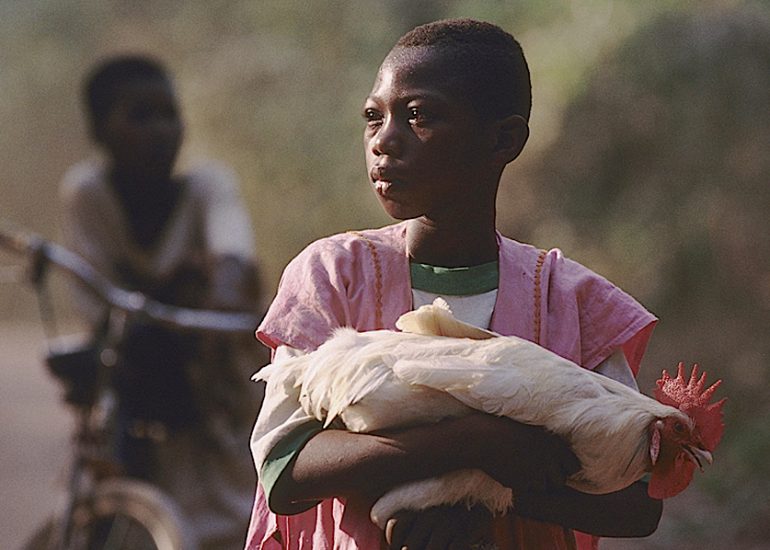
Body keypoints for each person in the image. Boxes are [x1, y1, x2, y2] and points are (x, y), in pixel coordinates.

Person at [245, 19, 662, 550]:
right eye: (373, 118)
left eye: (418, 115)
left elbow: (636, 504)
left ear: (502, 139)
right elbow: (284, 470)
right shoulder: (331, 276)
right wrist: (478, 443)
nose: (384, 141)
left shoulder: (572, 303)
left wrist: (482, 495)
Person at [60, 54, 263, 550]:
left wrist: (217, 294)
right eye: (140, 115)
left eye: (169, 114)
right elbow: (96, 305)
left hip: (215, 390)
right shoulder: (88, 195)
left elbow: (234, 265)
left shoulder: (207, 187)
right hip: (136, 382)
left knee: (235, 520)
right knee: (112, 508)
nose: (162, 130)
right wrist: (176, 285)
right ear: (100, 131)